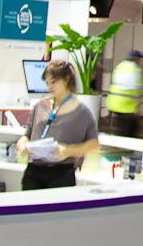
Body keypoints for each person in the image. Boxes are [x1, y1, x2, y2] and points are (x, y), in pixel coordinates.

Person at [19, 60, 101, 190]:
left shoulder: (81, 111)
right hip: (34, 171)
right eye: (47, 83)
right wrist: (22, 146)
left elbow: (94, 145)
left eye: (53, 82)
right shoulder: (40, 106)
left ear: (66, 79)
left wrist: (68, 150)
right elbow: (27, 134)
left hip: (61, 173)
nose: (50, 87)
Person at [103, 48, 143, 136]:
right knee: (129, 130)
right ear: (136, 59)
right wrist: (136, 108)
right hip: (126, 105)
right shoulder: (134, 69)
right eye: (140, 59)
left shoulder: (120, 66)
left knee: (124, 127)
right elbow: (135, 89)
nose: (140, 61)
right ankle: (124, 147)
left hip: (114, 102)